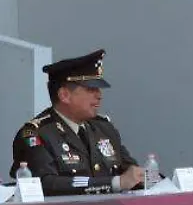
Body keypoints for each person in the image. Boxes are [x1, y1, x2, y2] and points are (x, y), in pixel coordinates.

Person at [11, 50, 142, 195]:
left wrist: (152, 179)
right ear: (65, 95)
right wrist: (114, 183)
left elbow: (131, 171)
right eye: (91, 89)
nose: (99, 95)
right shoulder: (37, 133)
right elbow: (44, 183)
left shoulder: (104, 128)